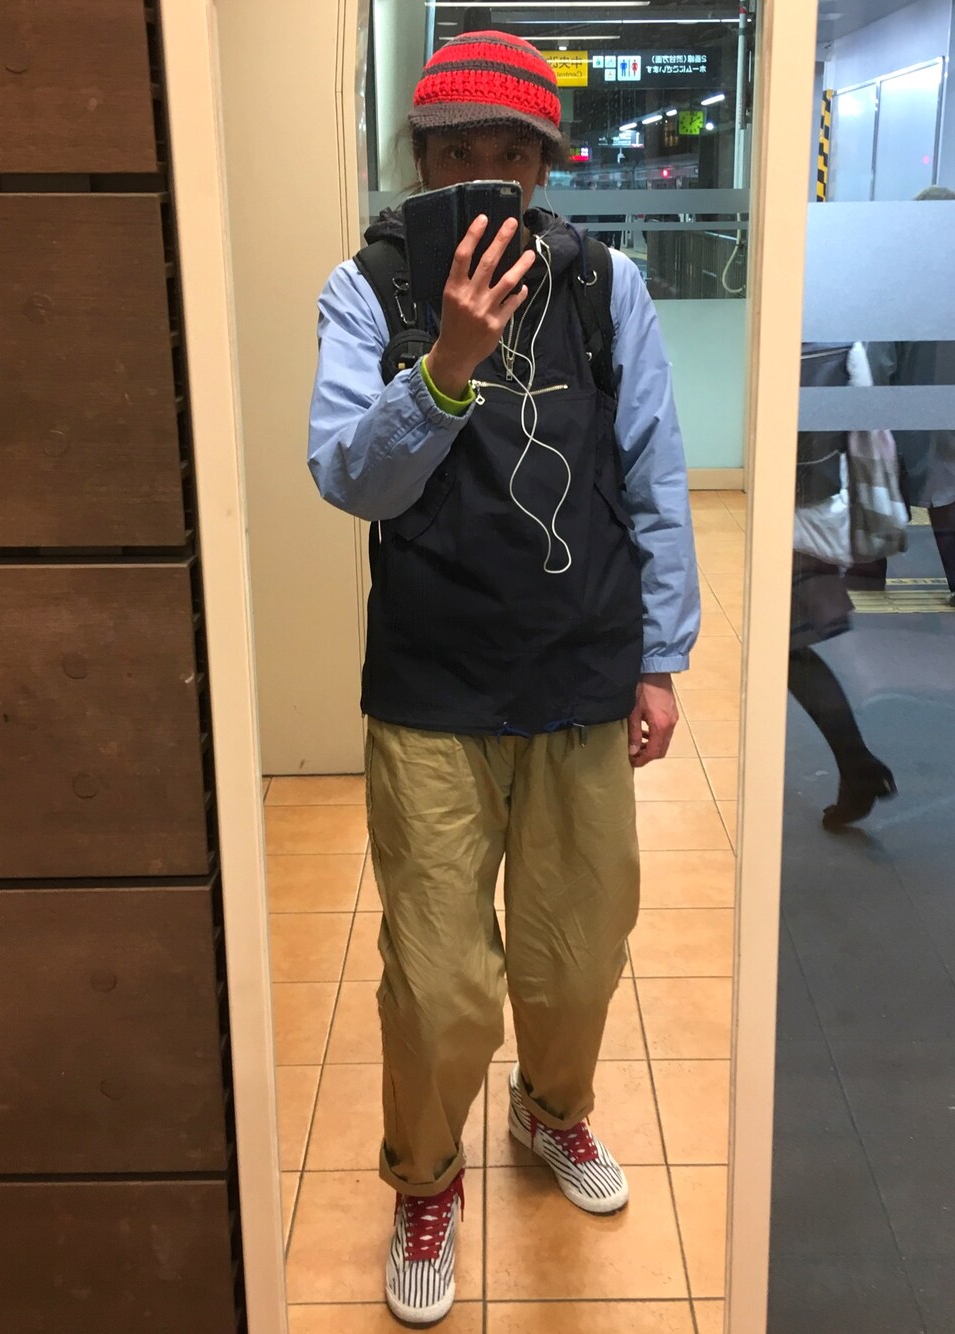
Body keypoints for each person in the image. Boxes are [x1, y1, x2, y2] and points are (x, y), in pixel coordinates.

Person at [308, 31, 699, 1326]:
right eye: (455, 155)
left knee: (577, 955)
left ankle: (550, 1109)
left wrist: (659, 656)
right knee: (439, 980)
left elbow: (653, 471)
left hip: (580, 666)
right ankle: (427, 1177)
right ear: (421, 164)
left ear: (543, 167)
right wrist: (445, 366)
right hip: (431, 682)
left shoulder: (603, 287)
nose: (484, 177)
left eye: (509, 157)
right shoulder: (369, 289)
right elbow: (348, 477)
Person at [791, 343, 896, 829]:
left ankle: (858, 766)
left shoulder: (802, 337)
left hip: (792, 513)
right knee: (788, 651)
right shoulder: (831, 337)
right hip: (811, 503)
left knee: (788, 651)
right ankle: (858, 767)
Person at [857, 187, 955, 603]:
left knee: (884, 485)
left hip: (916, 415)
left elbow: (879, 360)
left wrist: (866, 411)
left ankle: (868, 577)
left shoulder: (902, 281)